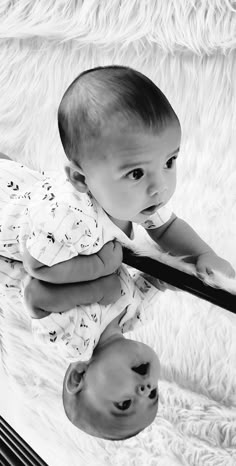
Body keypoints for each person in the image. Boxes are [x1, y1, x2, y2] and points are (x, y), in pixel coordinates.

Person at [0, 65, 235, 441]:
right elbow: (162, 258)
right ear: (82, 178)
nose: (160, 186)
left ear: (79, 377)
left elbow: (36, 280)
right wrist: (200, 263)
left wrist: (99, 272)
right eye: (153, 395)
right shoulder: (130, 314)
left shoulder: (74, 341)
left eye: (169, 162)